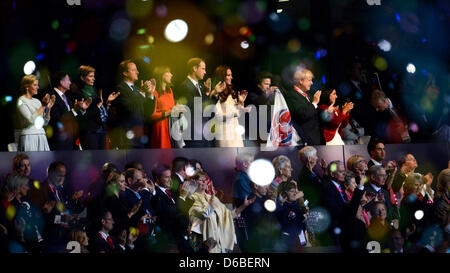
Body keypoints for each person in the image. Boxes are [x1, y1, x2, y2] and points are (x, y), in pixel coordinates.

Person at [189, 171, 254, 253]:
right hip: (207, 243)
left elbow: (228, 215)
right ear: (194, 182)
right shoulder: (192, 198)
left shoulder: (212, 198)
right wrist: (211, 203)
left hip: (222, 241)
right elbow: (204, 215)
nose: (204, 182)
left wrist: (243, 206)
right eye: (201, 180)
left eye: (205, 180)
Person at [108, 60, 155, 149]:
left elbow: (148, 112)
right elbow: (129, 108)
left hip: (140, 137)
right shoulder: (120, 89)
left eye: (136, 70)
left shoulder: (138, 89)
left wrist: (150, 94)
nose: (137, 72)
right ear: (125, 73)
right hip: (127, 139)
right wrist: (142, 92)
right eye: (133, 70)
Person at [76, 65, 119, 150]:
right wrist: (98, 106)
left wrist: (107, 103)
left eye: (94, 76)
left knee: (101, 158)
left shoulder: (94, 91)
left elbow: (100, 112)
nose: (93, 79)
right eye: (90, 76)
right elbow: (84, 115)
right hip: (90, 132)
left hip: (101, 130)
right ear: (82, 78)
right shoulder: (79, 93)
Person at [175, 57, 215, 148]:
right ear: (194, 68)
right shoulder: (185, 86)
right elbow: (188, 111)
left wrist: (210, 93)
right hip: (193, 135)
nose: (205, 72)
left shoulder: (201, 86)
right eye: (203, 69)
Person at [48, 71, 90, 150]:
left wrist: (81, 110)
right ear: (61, 82)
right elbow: (57, 120)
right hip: (59, 142)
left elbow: (73, 118)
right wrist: (74, 110)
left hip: (69, 142)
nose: (70, 82)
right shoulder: (52, 97)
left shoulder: (67, 98)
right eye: (68, 80)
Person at [283, 68, 322, 145]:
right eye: (309, 80)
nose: (312, 83)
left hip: (314, 138)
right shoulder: (291, 95)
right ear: (300, 81)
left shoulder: (308, 95)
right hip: (304, 140)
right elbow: (302, 115)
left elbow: (313, 114)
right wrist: (314, 103)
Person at [213, 65, 250, 147]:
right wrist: (235, 113)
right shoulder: (216, 94)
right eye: (228, 75)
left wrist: (240, 103)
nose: (231, 77)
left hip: (235, 133)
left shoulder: (231, 92)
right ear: (222, 77)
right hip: (225, 135)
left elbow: (237, 114)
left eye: (231, 75)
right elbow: (218, 116)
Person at [16, 75, 55, 151]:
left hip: (41, 135)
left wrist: (48, 109)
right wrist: (43, 106)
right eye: (35, 85)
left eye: (38, 85)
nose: (38, 87)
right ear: (27, 86)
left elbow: (45, 123)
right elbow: (30, 120)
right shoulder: (21, 100)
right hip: (29, 136)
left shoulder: (37, 101)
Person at [321, 160, 348, 245]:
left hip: (342, 228)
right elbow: (333, 210)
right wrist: (350, 205)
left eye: (344, 171)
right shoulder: (328, 188)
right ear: (332, 174)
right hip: (335, 230)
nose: (344, 174)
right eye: (341, 171)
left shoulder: (339, 186)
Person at [276, 181, 307, 252]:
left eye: (295, 191)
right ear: (284, 193)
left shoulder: (296, 205)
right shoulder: (281, 207)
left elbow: (301, 224)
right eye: (292, 191)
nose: (295, 193)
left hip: (300, 242)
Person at [150, 66, 176, 149]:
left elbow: (172, 108)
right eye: (168, 72)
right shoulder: (153, 92)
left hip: (171, 126)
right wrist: (168, 112)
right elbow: (151, 115)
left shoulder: (170, 90)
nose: (171, 75)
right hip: (161, 127)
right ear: (161, 75)